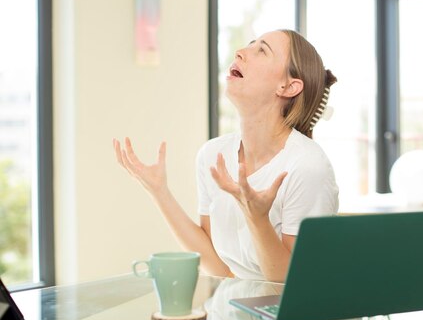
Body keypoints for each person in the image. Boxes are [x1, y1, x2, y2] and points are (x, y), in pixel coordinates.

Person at [113, 29, 338, 282]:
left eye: (261, 50)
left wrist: (257, 218)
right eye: (249, 45)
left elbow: (293, 284)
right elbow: (219, 267)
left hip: (291, 319)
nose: (240, 52)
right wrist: (159, 192)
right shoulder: (212, 155)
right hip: (235, 309)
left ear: (288, 86)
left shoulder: (307, 167)